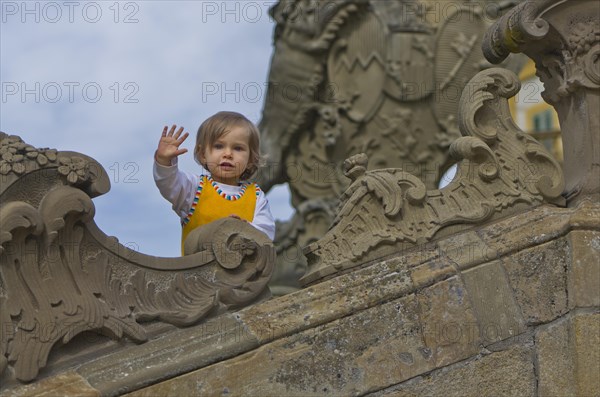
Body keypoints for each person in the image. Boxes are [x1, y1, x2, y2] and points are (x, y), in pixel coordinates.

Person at [153, 111, 275, 254]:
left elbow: (266, 234)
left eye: (238, 148)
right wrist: (163, 161)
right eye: (218, 146)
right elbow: (169, 183)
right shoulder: (194, 188)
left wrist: (245, 229)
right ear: (203, 154)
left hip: (239, 274)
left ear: (250, 160)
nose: (228, 154)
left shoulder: (256, 196)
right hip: (196, 273)